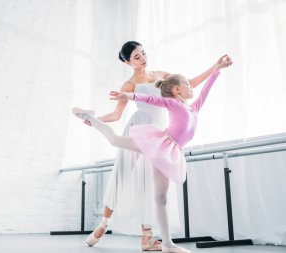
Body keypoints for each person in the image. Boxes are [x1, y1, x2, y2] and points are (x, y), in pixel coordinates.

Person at [73, 56, 233, 253]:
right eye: (187, 85)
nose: (191, 87)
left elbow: (206, 91)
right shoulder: (174, 104)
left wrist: (217, 70)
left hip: (171, 152)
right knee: (115, 140)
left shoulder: (193, 108)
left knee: (161, 198)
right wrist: (130, 96)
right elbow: (151, 99)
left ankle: (167, 244)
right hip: (159, 143)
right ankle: (86, 116)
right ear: (176, 90)